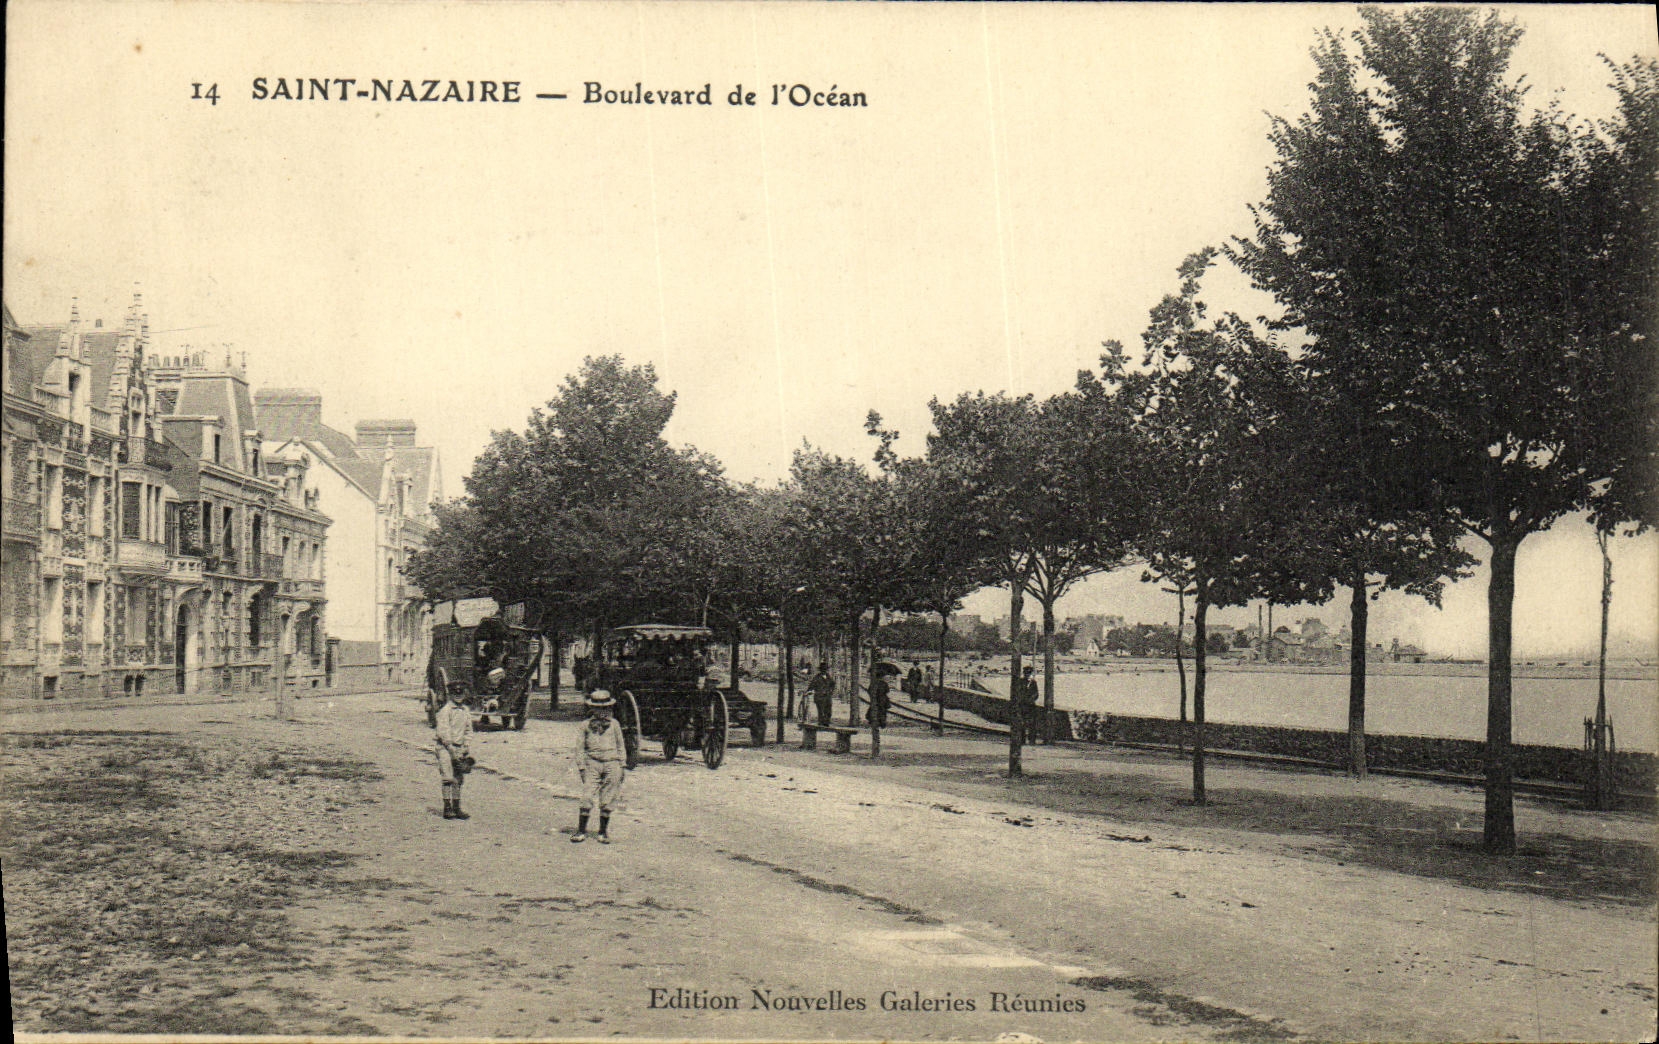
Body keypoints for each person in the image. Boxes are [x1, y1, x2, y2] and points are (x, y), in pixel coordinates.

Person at [572, 690, 626, 844]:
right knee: (587, 796)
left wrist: (622, 765)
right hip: (592, 764)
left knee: (608, 798)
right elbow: (580, 748)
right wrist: (582, 768)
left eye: (605, 708)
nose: (602, 712)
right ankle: (581, 831)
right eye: (598, 708)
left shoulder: (615, 725)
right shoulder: (585, 725)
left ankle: (602, 832)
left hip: (612, 763)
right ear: (592, 709)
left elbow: (621, 746)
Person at [434, 686, 473, 821]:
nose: (458, 696)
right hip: (445, 747)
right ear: (450, 695)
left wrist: (466, 745)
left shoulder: (465, 711)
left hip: (459, 747)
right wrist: (450, 748)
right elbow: (443, 731)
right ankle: (447, 808)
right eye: (455, 694)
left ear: (464, 694)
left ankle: (457, 808)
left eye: (461, 693)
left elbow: (468, 730)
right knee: (447, 777)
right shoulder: (445, 711)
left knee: (458, 778)